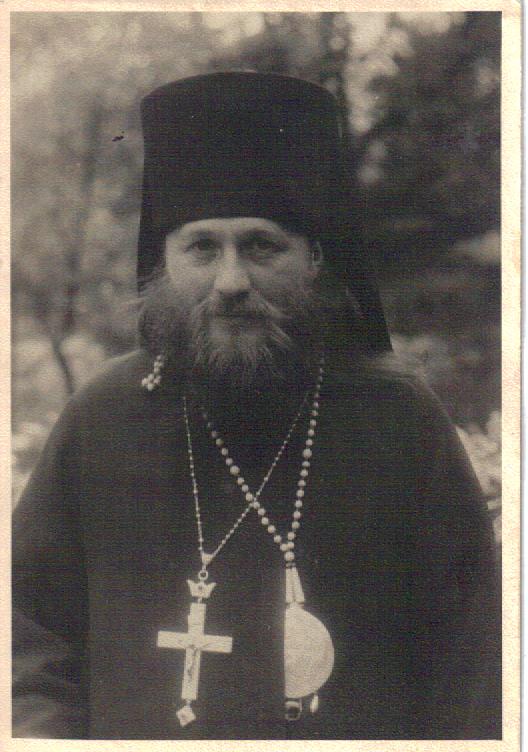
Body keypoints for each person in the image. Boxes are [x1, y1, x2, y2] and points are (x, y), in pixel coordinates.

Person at [12, 71, 501, 740]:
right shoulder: (103, 416)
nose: (232, 281)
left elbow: (478, 668)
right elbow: (24, 636)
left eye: (262, 245)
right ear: (163, 263)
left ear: (316, 258)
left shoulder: (397, 419)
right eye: (202, 247)